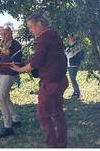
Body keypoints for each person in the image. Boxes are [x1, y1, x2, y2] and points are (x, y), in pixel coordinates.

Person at [11, 13, 68, 148]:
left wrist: (19, 70)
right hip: (60, 80)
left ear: (39, 24)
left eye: (31, 27)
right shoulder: (54, 34)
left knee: (43, 116)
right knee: (58, 114)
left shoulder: (43, 36)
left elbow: (37, 61)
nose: (30, 31)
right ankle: (61, 145)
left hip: (50, 83)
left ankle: (53, 147)